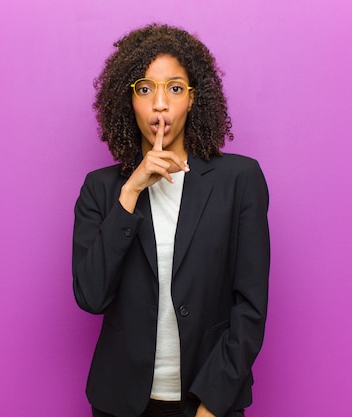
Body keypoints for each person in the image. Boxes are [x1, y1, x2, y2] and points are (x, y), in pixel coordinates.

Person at [72, 23, 270, 417]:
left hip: (208, 400)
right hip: (121, 403)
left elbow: (249, 306)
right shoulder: (102, 188)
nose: (160, 104)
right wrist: (130, 193)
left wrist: (212, 403)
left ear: (194, 99)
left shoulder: (239, 180)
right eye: (145, 89)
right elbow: (90, 296)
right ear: (127, 100)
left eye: (175, 88)